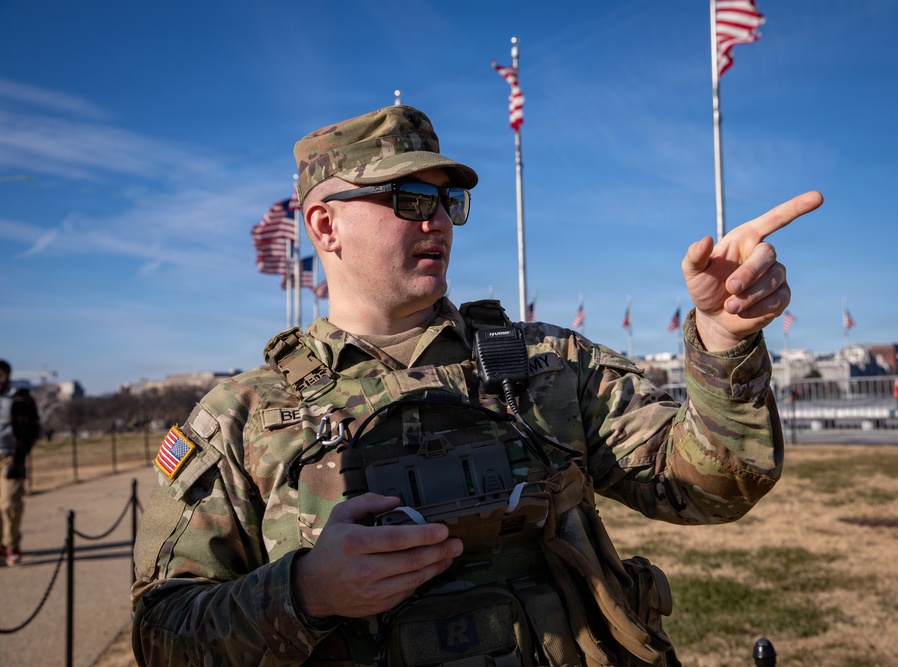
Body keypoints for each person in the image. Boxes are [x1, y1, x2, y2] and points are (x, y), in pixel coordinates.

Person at [131, 105, 823, 666]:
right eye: (405, 198)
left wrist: (726, 339)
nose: (435, 219)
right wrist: (306, 591)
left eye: (445, 200)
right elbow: (161, 633)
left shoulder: (549, 363)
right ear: (323, 224)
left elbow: (715, 485)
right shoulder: (243, 417)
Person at [0, 359, 41, 567]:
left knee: (9, 503)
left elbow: (35, 427)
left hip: (11, 457)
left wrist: (22, 452)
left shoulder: (20, 398)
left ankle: (12, 543)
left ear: (7, 375)